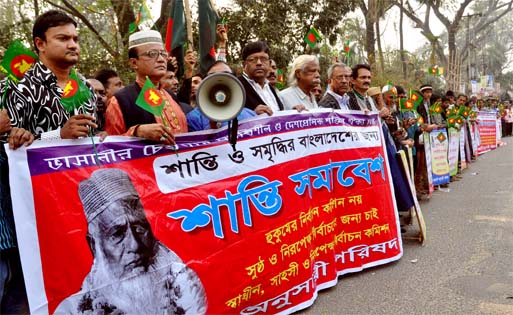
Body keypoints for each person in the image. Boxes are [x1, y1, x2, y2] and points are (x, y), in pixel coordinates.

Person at [55, 168, 207, 314]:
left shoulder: (183, 283)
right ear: (94, 245)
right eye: (117, 234)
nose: (135, 245)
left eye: (139, 228)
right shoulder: (70, 310)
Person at [105, 30, 187, 144]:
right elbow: (110, 146)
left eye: (163, 54)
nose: (161, 59)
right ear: (134, 63)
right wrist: (136, 132)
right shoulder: (120, 101)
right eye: (152, 54)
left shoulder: (171, 96)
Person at [187, 61, 256, 132]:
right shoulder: (193, 118)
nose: (220, 78)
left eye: (226, 74)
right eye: (212, 76)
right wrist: (212, 128)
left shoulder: (251, 116)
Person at [238, 41, 284, 116]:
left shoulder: (270, 87)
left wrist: (293, 112)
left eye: (263, 59)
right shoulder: (237, 86)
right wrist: (252, 115)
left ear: (269, 63)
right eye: (253, 59)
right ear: (244, 65)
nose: (259, 63)